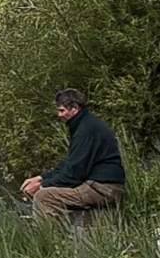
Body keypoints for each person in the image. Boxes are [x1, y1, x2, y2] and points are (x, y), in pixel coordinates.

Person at [20, 89, 126, 217]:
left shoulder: (86, 130)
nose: (59, 115)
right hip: (100, 185)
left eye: (62, 110)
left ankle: (48, 230)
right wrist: (41, 178)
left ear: (75, 108)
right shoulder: (85, 124)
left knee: (44, 197)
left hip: (103, 188)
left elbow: (74, 173)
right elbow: (69, 164)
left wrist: (42, 186)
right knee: (48, 192)